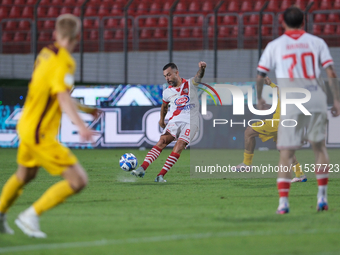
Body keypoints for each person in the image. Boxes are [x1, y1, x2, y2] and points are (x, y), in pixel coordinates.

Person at [0, 14, 99, 237]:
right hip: (40, 133)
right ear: (78, 37)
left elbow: (56, 94)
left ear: (55, 34)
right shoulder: (65, 61)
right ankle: (31, 215)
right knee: (78, 180)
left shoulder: (45, 54)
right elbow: (63, 98)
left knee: (24, 175)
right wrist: (81, 125)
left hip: (26, 126)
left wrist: (85, 109)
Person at [256, 7, 340, 214]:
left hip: (292, 100)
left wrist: (259, 98)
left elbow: (260, 75)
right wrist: (336, 100)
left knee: (286, 152)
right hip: (316, 97)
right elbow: (330, 71)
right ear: (303, 22)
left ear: (282, 23)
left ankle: (283, 203)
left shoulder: (275, 45)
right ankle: (322, 197)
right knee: (319, 148)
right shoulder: (317, 42)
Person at [131, 62, 206, 182]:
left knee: (180, 144)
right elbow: (164, 107)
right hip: (175, 121)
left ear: (177, 73)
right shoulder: (167, 92)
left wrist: (202, 69)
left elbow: (199, 76)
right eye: (165, 76)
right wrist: (161, 119)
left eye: (169, 75)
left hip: (191, 122)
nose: (167, 78)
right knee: (162, 141)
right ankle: (142, 168)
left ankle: (160, 175)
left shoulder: (190, 84)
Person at [235, 76, 307, 183]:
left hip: (278, 123)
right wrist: (271, 85)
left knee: (249, 131)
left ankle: (247, 163)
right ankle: (300, 174)